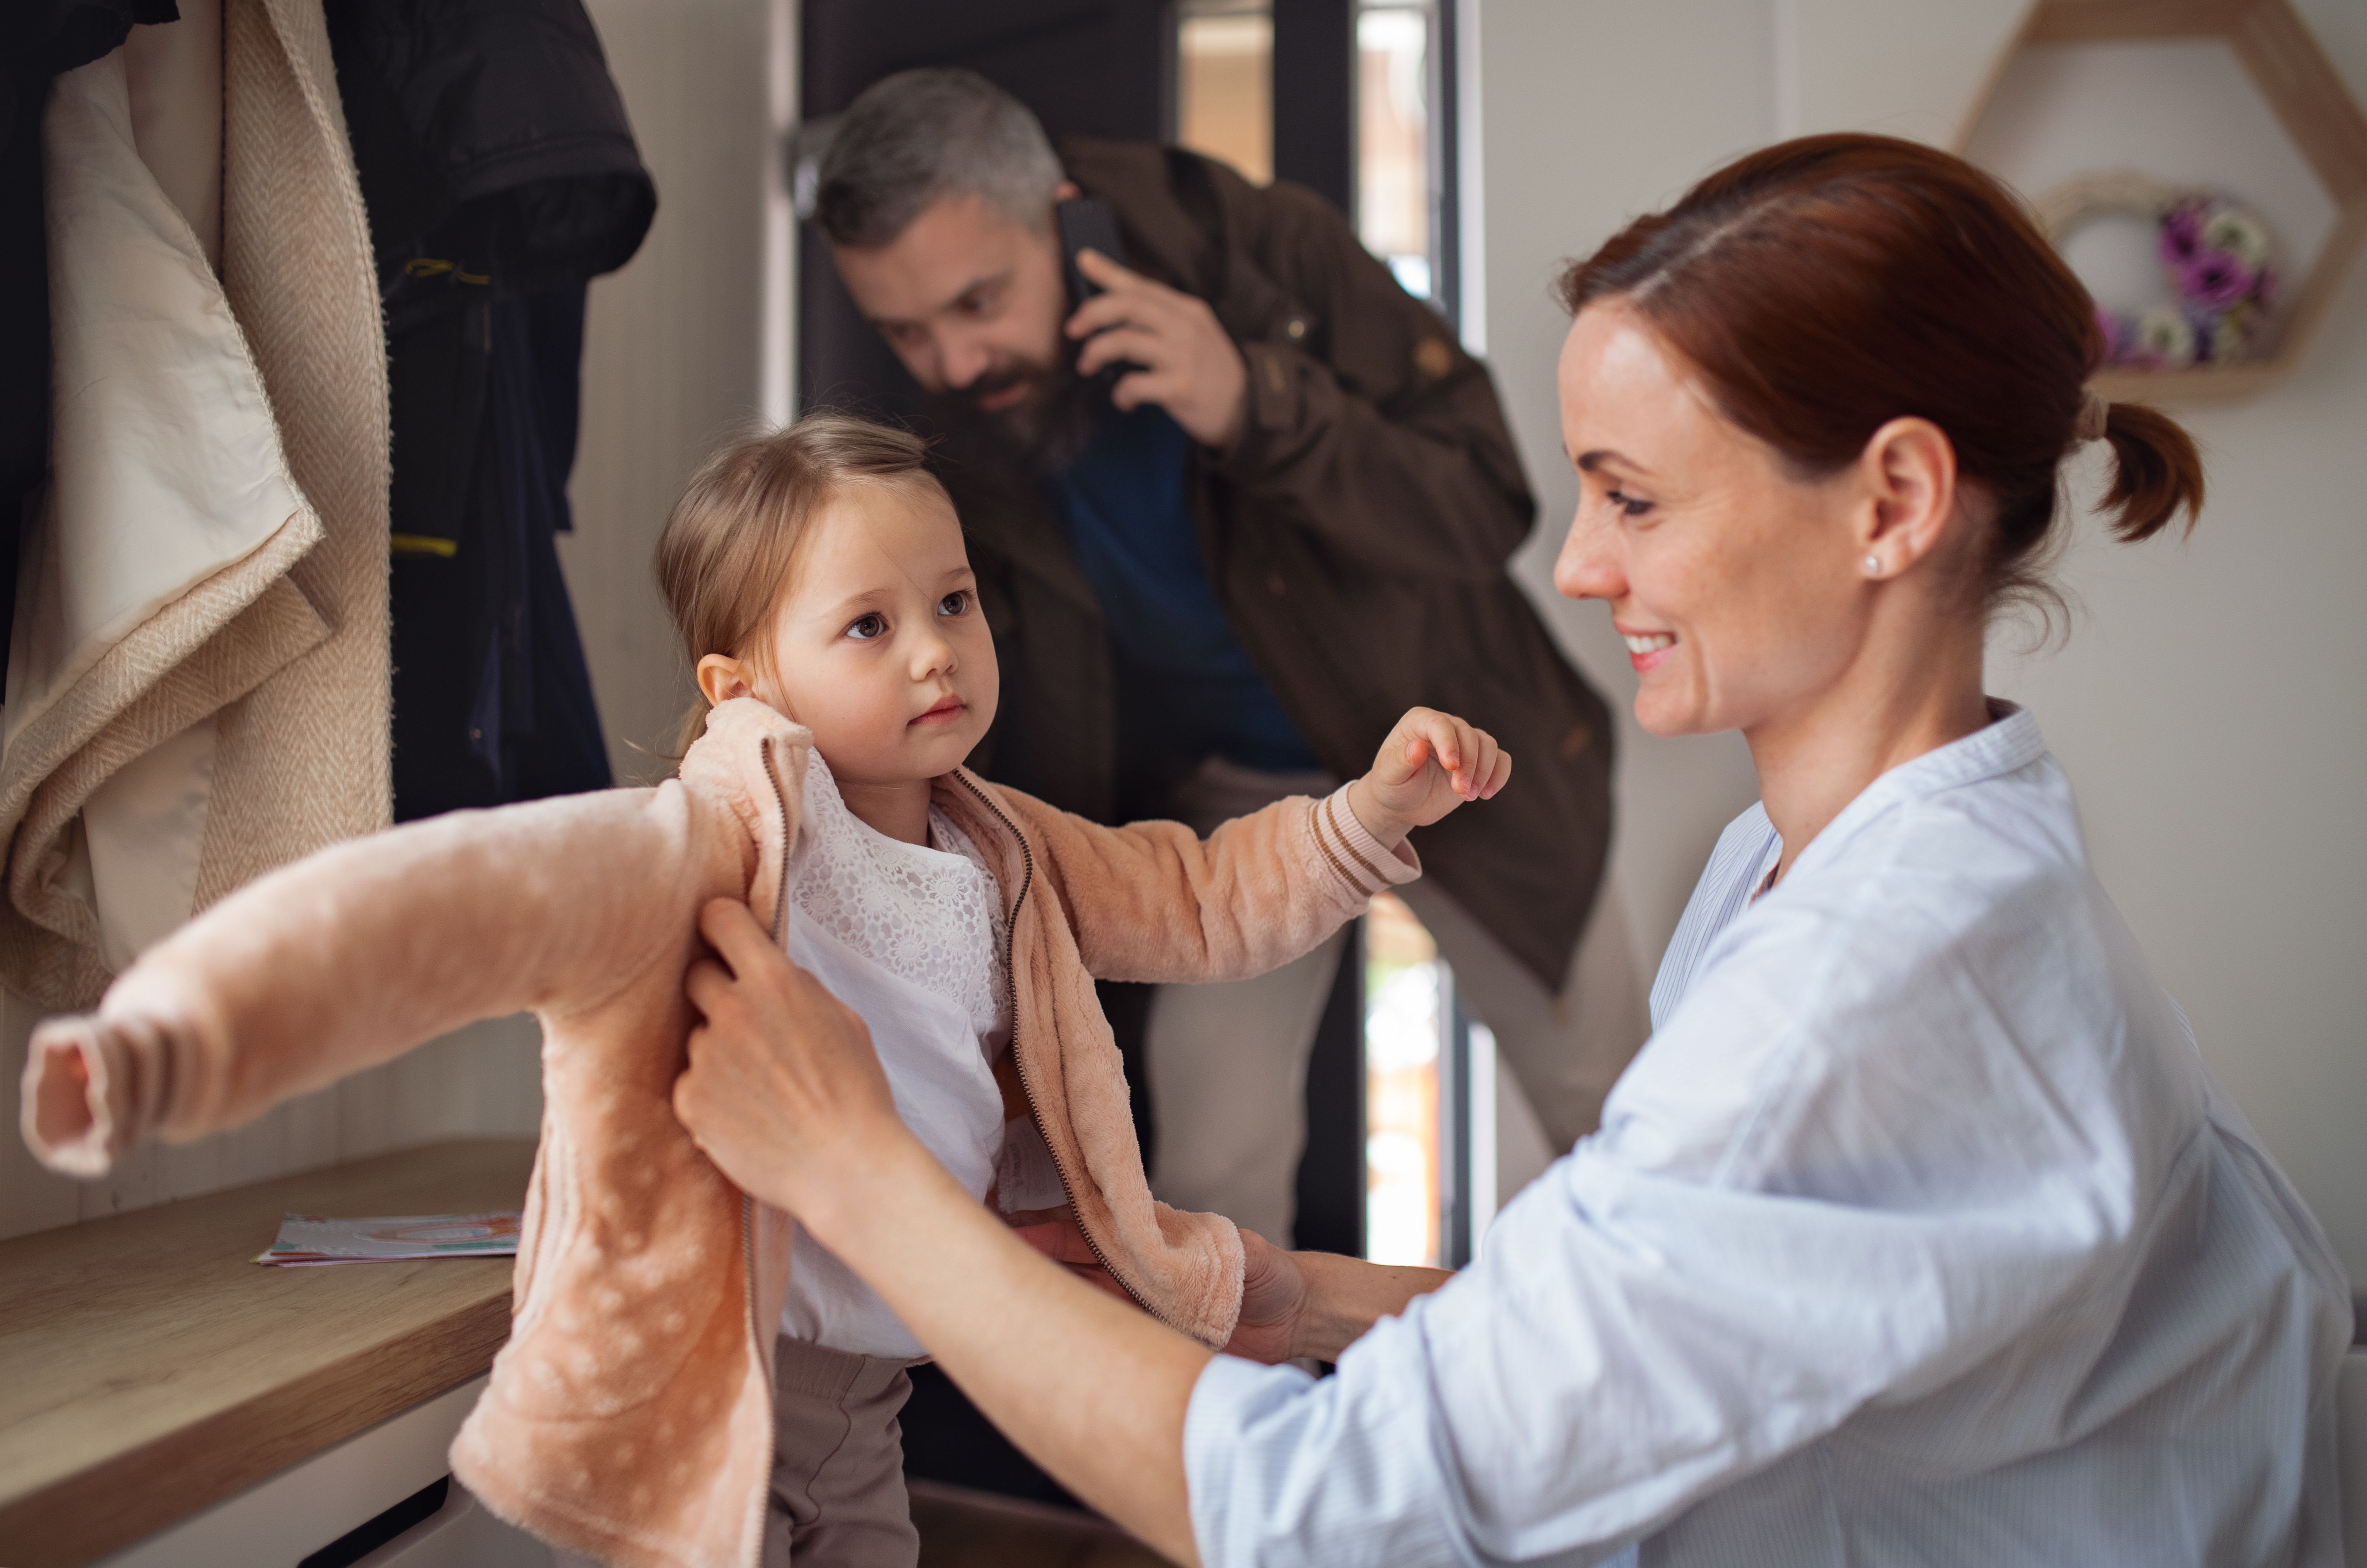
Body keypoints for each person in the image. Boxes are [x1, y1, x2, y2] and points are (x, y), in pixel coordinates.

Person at [672, 134, 2354, 1566]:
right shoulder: (1843, 859)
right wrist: (1299, 1296)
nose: (1577, 569)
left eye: (1631, 499)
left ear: (1891, 502)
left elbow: (1328, 1511)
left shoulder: (1867, 988)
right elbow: (1669, 1299)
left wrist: (862, 1183)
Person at [20, 411, 1512, 1568]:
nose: (937, 653)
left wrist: (1362, 821)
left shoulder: (1011, 847)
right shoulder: (699, 848)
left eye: (955, 601)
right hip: (719, 1368)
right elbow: (437, 907)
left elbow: (1204, 898)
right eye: (870, 626)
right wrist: (175, 1036)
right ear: (745, 686)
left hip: (877, 1388)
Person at [808, 67, 1643, 1242]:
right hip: (1224, 806)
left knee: (1615, 1116)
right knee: (1207, 1180)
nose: (951, 362)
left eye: (979, 302)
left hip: (1460, 751)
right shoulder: (940, 417)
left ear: (1063, 208)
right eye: (907, 329)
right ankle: (1237, 1430)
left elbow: (1484, 499)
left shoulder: (1264, 249)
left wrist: (1259, 401)